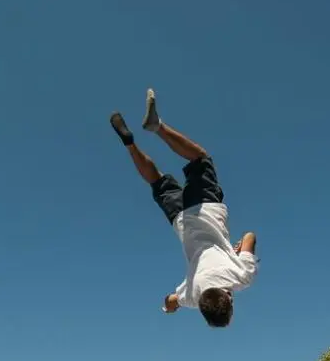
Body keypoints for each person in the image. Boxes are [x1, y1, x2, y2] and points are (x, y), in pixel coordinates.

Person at [109, 88, 259, 327]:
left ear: (230, 301)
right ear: (203, 307)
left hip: (207, 208)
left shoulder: (241, 276)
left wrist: (239, 249)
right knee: (156, 180)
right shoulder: (192, 296)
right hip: (181, 221)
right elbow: (170, 301)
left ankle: (157, 126)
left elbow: (250, 235)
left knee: (200, 159)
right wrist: (168, 308)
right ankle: (130, 145)